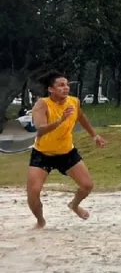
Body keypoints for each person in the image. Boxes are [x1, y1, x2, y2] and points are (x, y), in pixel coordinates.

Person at [26, 71, 107, 228]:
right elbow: (40, 129)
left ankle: (74, 205)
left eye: (67, 85)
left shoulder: (74, 102)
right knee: (33, 193)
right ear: (51, 89)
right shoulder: (42, 104)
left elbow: (81, 117)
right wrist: (60, 120)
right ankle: (40, 221)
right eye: (61, 85)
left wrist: (94, 135)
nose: (66, 88)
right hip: (43, 154)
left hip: (66, 152)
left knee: (87, 185)